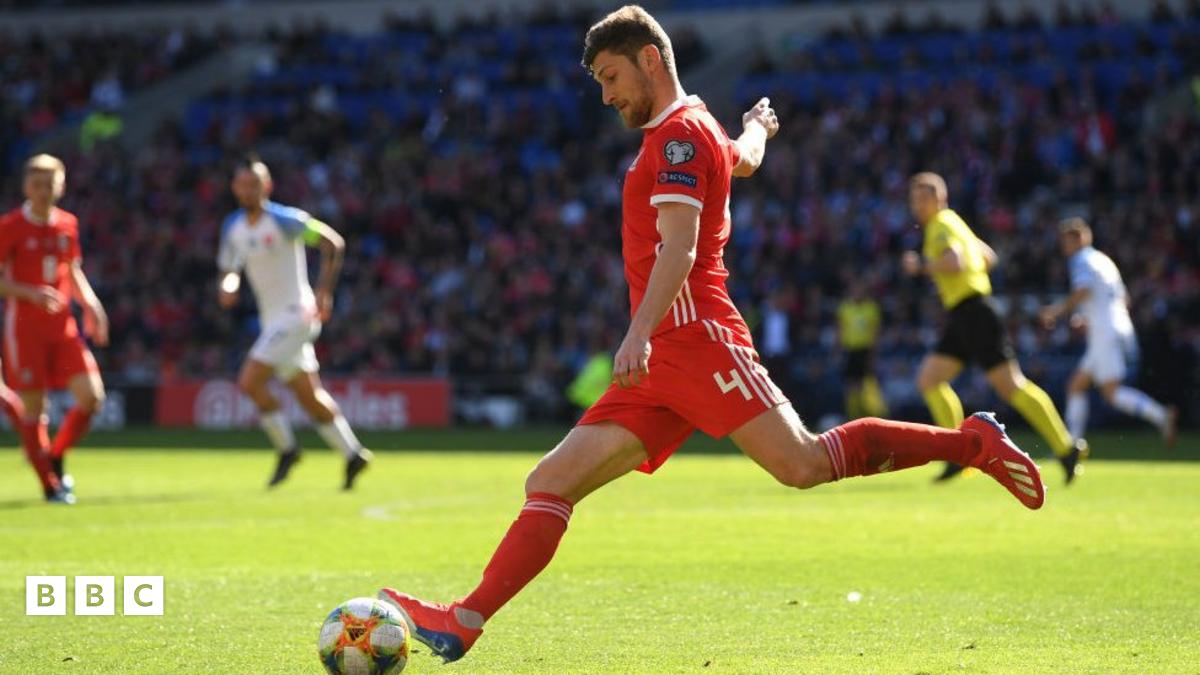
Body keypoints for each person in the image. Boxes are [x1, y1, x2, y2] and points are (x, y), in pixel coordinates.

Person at [377, 6, 1045, 664]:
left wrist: (638, 332)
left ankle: (972, 441)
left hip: (696, 338)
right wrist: (756, 127)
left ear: (649, 59)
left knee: (803, 463)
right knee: (550, 480)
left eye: (611, 77)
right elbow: (743, 159)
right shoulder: (694, 131)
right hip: (662, 360)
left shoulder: (677, 138)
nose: (606, 96)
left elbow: (681, 247)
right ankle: (465, 620)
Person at [901, 172, 1083, 484]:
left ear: (938, 198)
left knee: (1011, 386)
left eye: (922, 199)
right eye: (914, 200)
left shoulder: (940, 226)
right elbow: (988, 257)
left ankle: (1066, 448)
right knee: (929, 380)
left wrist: (922, 266)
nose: (916, 206)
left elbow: (955, 263)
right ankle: (958, 453)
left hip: (974, 313)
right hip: (966, 313)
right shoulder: (956, 223)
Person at [216, 155, 372, 490]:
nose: (248, 190)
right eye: (242, 184)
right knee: (308, 395)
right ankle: (353, 454)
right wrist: (228, 285)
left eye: (254, 184)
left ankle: (288, 449)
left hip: (297, 314)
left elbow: (333, 243)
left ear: (267, 186)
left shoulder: (286, 221)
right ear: (234, 187)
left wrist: (324, 292)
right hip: (273, 320)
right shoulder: (233, 227)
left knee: (249, 381)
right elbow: (230, 268)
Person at [0, 154, 109, 504]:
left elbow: (72, 270)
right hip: (24, 329)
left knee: (92, 398)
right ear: (26, 187)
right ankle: (50, 486)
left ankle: (55, 455)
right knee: (35, 409)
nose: (44, 191)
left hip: (63, 327)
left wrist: (91, 304)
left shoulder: (67, 224)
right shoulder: (10, 226)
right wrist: (30, 293)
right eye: (37, 184)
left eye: (50, 184)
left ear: (61, 186)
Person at [1040, 218, 1177, 447]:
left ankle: (1161, 415)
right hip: (1114, 328)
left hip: (1104, 333)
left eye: (1066, 241)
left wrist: (1056, 311)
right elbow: (1123, 299)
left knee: (1111, 393)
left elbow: (1083, 290)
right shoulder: (1104, 260)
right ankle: (1071, 444)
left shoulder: (1080, 259)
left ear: (1079, 238)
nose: (1064, 247)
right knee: (1076, 385)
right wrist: (1089, 318)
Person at [837, 280, 887, 419]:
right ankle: (853, 414)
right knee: (850, 383)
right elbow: (840, 329)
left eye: (860, 290)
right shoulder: (845, 307)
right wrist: (839, 349)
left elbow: (876, 331)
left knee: (868, 382)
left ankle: (874, 413)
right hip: (850, 349)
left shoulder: (871, 308)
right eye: (855, 290)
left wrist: (874, 352)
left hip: (866, 349)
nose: (857, 293)